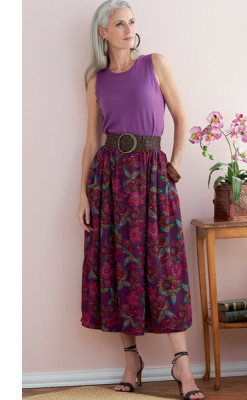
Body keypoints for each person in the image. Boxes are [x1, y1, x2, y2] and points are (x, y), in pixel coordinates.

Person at [77, 1, 205, 399]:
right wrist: (83, 194)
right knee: (120, 267)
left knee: (164, 268)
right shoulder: (96, 81)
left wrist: (174, 167)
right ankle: (132, 361)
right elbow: (92, 141)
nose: (128, 29)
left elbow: (182, 119)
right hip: (110, 180)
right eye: (119, 24)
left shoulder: (155, 64)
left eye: (131, 22)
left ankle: (182, 365)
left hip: (153, 177)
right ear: (103, 32)